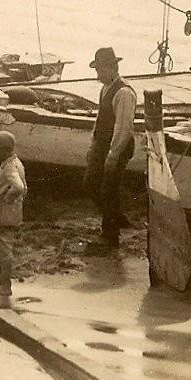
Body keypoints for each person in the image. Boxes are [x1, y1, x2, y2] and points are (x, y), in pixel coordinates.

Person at [83, 47, 136, 254]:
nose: (98, 75)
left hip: (117, 147)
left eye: (100, 70)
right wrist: (93, 145)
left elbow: (124, 127)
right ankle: (116, 217)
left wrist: (113, 155)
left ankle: (110, 236)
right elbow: (100, 120)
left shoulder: (124, 93)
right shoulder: (105, 88)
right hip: (102, 145)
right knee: (90, 184)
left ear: (113, 68)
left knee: (108, 188)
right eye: (96, 70)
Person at [0, 131, 27, 297]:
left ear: (3, 150)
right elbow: (25, 187)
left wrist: (8, 200)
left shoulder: (9, 167)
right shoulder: (16, 162)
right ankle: (2, 277)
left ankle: (5, 286)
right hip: (11, 211)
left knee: (2, 247)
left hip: (4, 211)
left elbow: (18, 187)